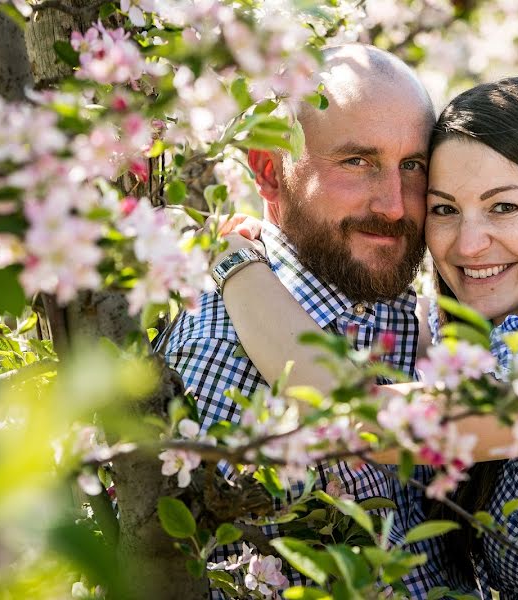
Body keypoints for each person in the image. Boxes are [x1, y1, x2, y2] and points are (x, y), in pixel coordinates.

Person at [213, 77, 518, 597]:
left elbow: (355, 419)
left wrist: (232, 262)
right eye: (445, 210)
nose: (470, 244)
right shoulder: (491, 344)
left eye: (504, 208)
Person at [157, 44, 454, 597]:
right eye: (356, 162)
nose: (393, 204)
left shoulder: (432, 316)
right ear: (269, 170)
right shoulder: (223, 360)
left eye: (411, 166)